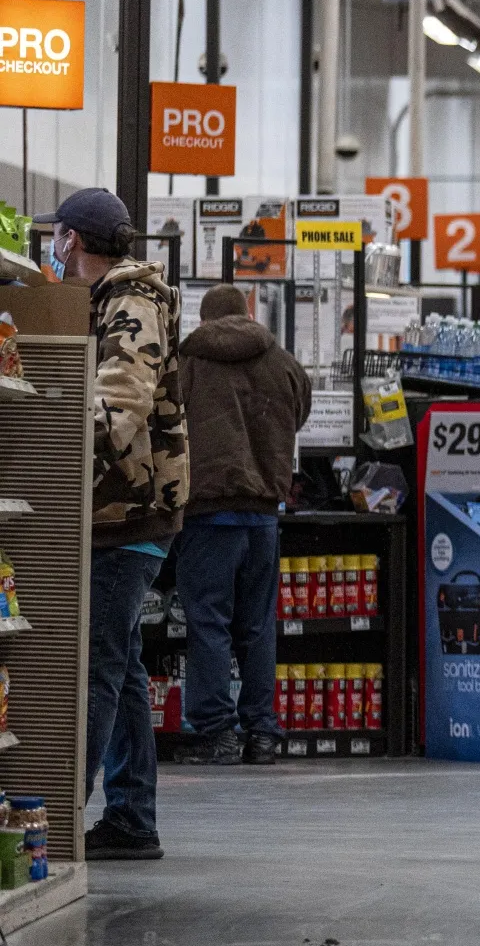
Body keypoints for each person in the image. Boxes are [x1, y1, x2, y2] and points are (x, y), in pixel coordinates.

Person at [38, 189, 187, 860]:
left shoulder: (131, 304)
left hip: (132, 514)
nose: (53, 243)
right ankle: (132, 817)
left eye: (56, 235)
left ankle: (59, 818)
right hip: (122, 513)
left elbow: (118, 410)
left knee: (97, 665)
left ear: (72, 239)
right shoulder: (109, 299)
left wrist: (44, 435)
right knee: (121, 666)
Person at [175, 283, 311, 766]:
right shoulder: (283, 361)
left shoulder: (188, 361)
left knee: (208, 622)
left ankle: (217, 734)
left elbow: (165, 423)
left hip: (209, 512)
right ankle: (263, 734)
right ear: (248, 313)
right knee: (256, 626)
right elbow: (301, 414)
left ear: (204, 318)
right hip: (264, 515)